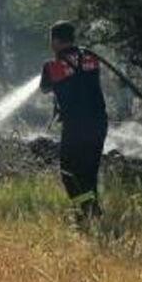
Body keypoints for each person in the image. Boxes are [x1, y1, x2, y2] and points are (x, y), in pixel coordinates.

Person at [40, 20, 108, 220]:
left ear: (56, 40)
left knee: (69, 171)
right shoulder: (91, 58)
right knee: (89, 171)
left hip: (76, 125)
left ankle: (84, 212)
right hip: (99, 122)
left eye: (52, 40)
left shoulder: (52, 66)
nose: (51, 44)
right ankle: (92, 212)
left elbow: (44, 89)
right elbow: (83, 79)